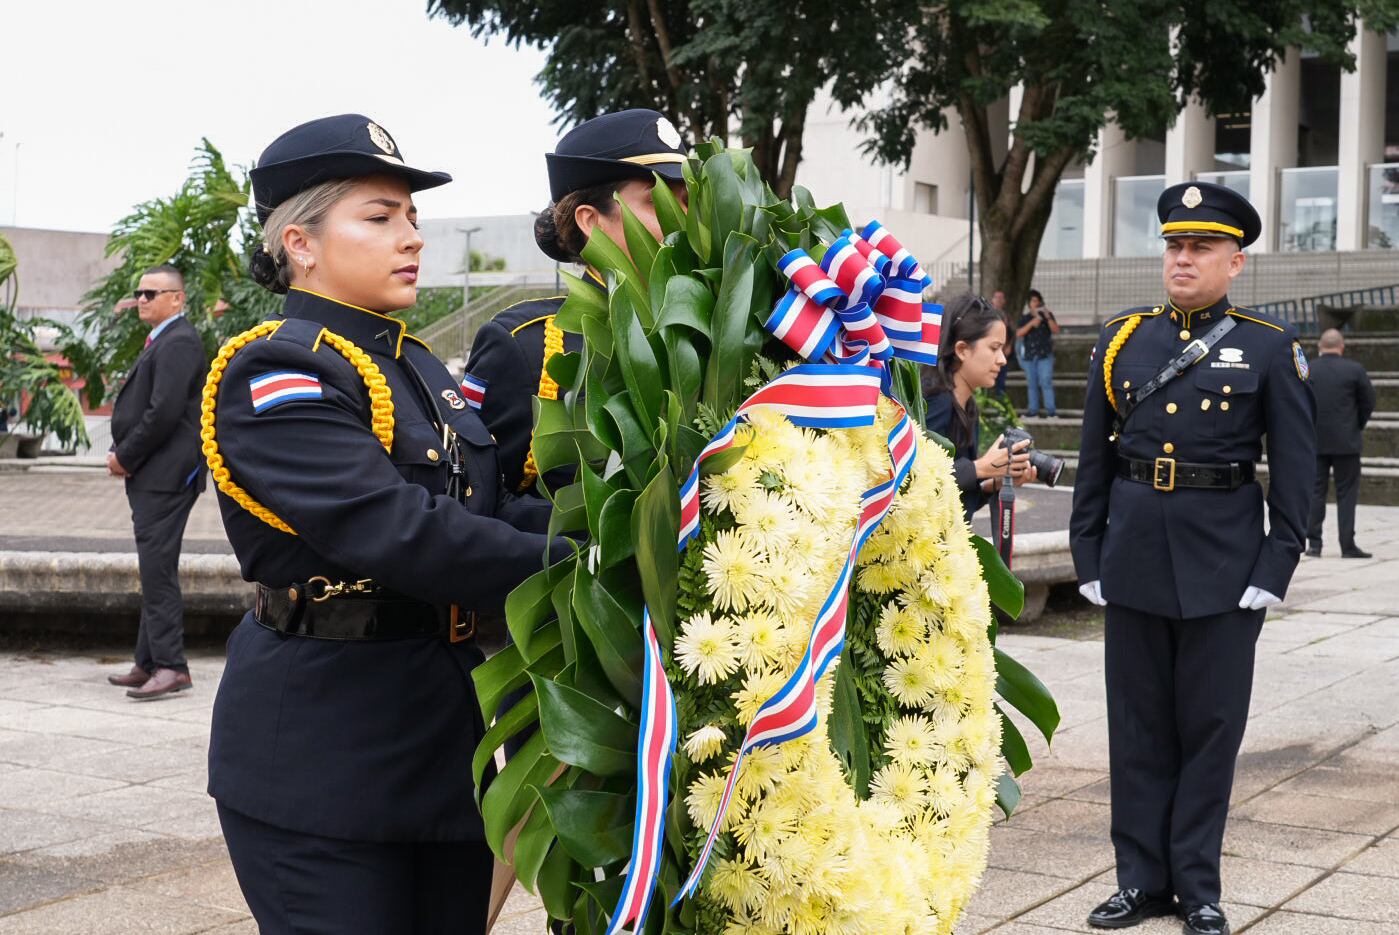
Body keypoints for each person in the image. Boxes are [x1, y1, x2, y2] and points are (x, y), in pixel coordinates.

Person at [203, 114, 564, 934]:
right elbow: (394, 526)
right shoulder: (276, 364)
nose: (410, 237)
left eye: (412, 218)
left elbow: (487, 504)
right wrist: (580, 563)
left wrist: (639, 529)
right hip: (324, 754)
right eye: (379, 216)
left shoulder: (415, 365)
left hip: (440, 745)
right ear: (300, 242)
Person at [1070, 182, 1315, 935]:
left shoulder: (1269, 347)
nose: (1183, 257)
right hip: (1136, 555)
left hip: (1223, 566)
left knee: (1208, 731)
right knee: (1136, 727)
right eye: (1175, 244)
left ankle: (1197, 886)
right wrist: (1088, 552)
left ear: (1233, 262)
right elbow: (1093, 462)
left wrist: (1273, 569)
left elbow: (1296, 471)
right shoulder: (1122, 340)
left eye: (1200, 246)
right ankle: (1139, 881)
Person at [466, 109, 689, 497]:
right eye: (660, 202)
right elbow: (479, 502)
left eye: (688, 201)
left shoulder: (710, 327)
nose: (683, 219)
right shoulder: (526, 344)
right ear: (591, 220)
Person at [105, 265, 208, 700]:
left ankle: (171, 665)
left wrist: (125, 456)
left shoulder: (179, 341)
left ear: (177, 299)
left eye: (152, 293)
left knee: (158, 571)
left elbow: (163, 412)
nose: (142, 299)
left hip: (164, 477)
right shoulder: (165, 340)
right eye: (140, 292)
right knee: (155, 568)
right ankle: (149, 661)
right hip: (157, 476)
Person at [922, 292, 1034, 523]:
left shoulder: (968, 406)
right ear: (962, 349)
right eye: (994, 348)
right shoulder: (935, 400)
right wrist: (979, 468)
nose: (1002, 360)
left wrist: (995, 481)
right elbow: (916, 479)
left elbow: (959, 501)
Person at [1306, 327, 1374, 559]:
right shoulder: (1354, 370)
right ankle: (1348, 546)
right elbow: (1368, 402)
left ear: (1319, 347)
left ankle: (1314, 545)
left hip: (1315, 441)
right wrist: (1356, 425)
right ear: (1342, 346)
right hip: (1347, 442)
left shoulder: (1309, 370)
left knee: (1316, 492)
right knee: (1347, 494)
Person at [1015, 288, 1059, 417]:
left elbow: (1056, 330)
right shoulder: (1025, 318)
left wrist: (1047, 317)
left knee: (1045, 381)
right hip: (1029, 356)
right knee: (1032, 384)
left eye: (1038, 301)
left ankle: (1051, 412)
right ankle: (1033, 411)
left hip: (1044, 355)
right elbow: (1018, 333)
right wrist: (1032, 323)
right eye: (1033, 301)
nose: (1036, 303)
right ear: (1029, 303)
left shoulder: (1048, 316)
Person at [989, 288, 1013, 398]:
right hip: (989, 352)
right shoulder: (987, 315)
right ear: (992, 300)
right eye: (996, 298)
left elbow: (1012, 333)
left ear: (1004, 301)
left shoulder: (1006, 316)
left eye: (1001, 298)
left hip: (1002, 352)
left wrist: (1009, 346)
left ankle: (1000, 407)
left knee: (1001, 380)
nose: (999, 300)